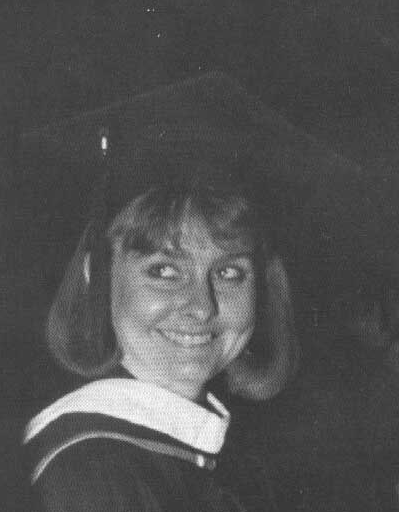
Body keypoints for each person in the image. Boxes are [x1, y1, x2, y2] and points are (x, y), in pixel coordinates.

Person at [23, 170, 300, 512]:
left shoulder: (229, 457)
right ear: (97, 275)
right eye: (165, 271)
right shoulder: (87, 474)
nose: (201, 307)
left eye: (228, 272)